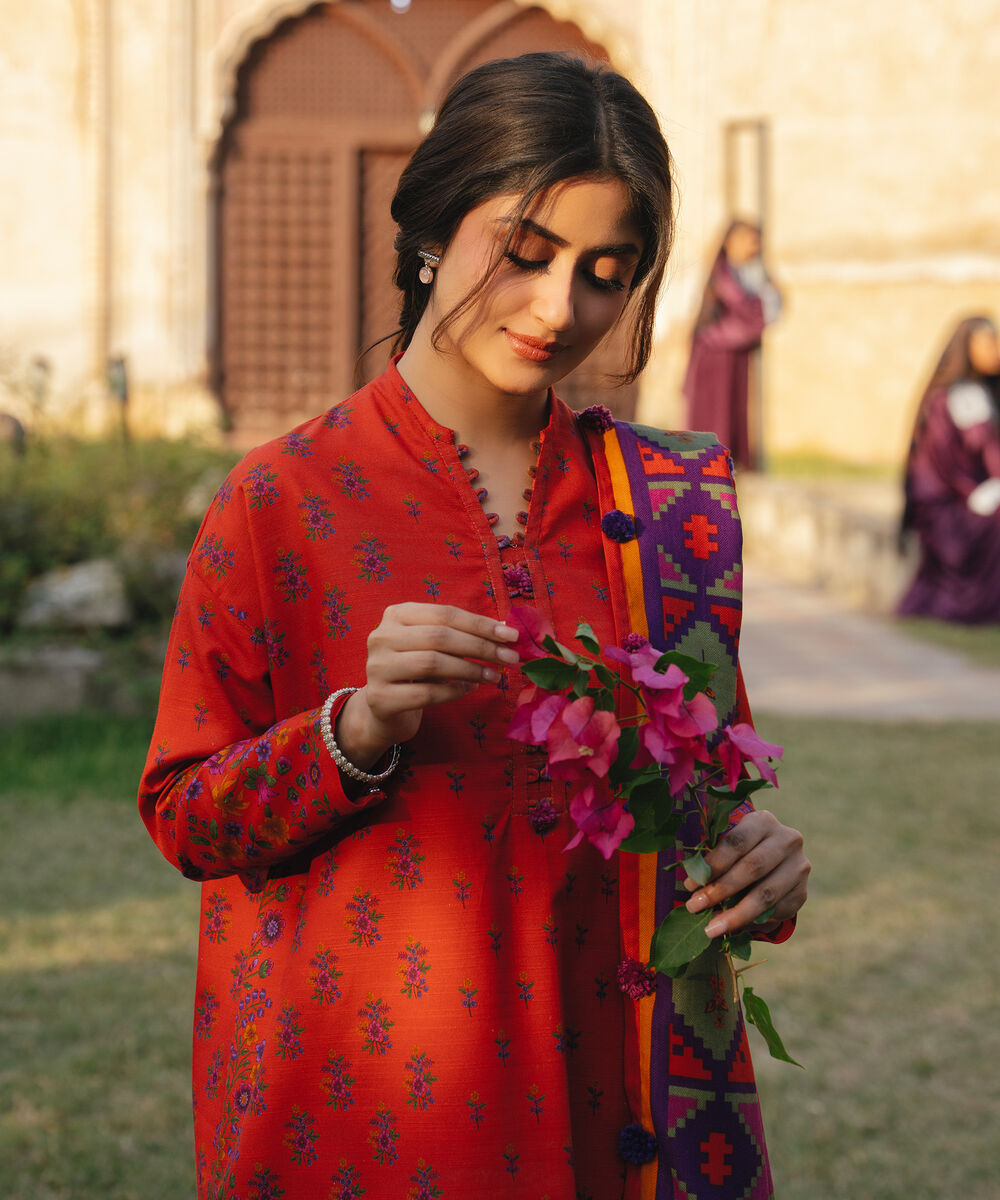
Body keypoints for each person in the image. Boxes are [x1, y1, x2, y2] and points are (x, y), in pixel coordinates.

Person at [139, 53, 808, 1200]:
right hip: (360, 1107)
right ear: (433, 229)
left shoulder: (668, 508)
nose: (560, 310)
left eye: (607, 271)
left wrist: (760, 867)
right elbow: (188, 818)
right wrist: (353, 730)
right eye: (526, 251)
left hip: (608, 1099)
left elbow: (705, 805)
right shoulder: (281, 501)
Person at [897, 315, 1000, 623]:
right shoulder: (951, 398)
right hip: (948, 508)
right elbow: (950, 463)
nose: (995, 350)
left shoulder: (982, 393)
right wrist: (978, 491)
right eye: (988, 343)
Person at [682, 219, 781, 470]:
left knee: (733, 417)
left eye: (756, 241)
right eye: (747, 239)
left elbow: (767, 311)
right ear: (729, 242)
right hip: (714, 359)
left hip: (734, 358)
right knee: (713, 420)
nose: (753, 246)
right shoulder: (721, 278)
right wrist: (755, 316)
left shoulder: (753, 275)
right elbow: (751, 317)